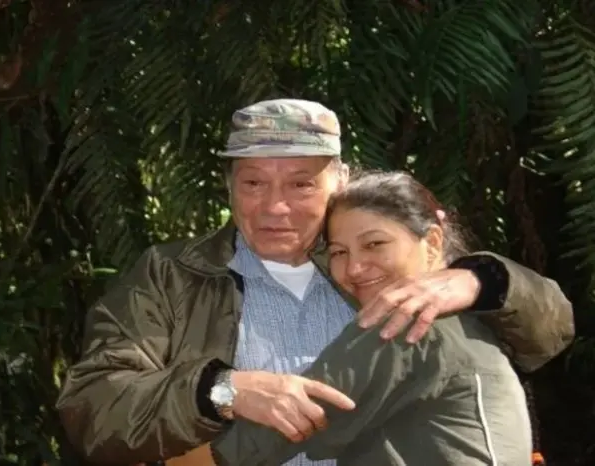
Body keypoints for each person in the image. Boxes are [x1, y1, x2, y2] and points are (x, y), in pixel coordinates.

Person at [55, 99, 574, 465]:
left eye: (301, 183)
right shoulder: (170, 277)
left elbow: (551, 331)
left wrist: (482, 280)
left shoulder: (375, 265)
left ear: (340, 181)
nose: (275, 207)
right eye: (254, 183)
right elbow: (91, 410)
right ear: (229, 186)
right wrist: (221, 389)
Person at [209, 170, 534, 465]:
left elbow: (249, 446)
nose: (354, 268)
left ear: (433, 243)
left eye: (375, 244)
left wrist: (221, 392)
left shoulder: (404, 326)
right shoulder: (470, 316)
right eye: (339, 252)